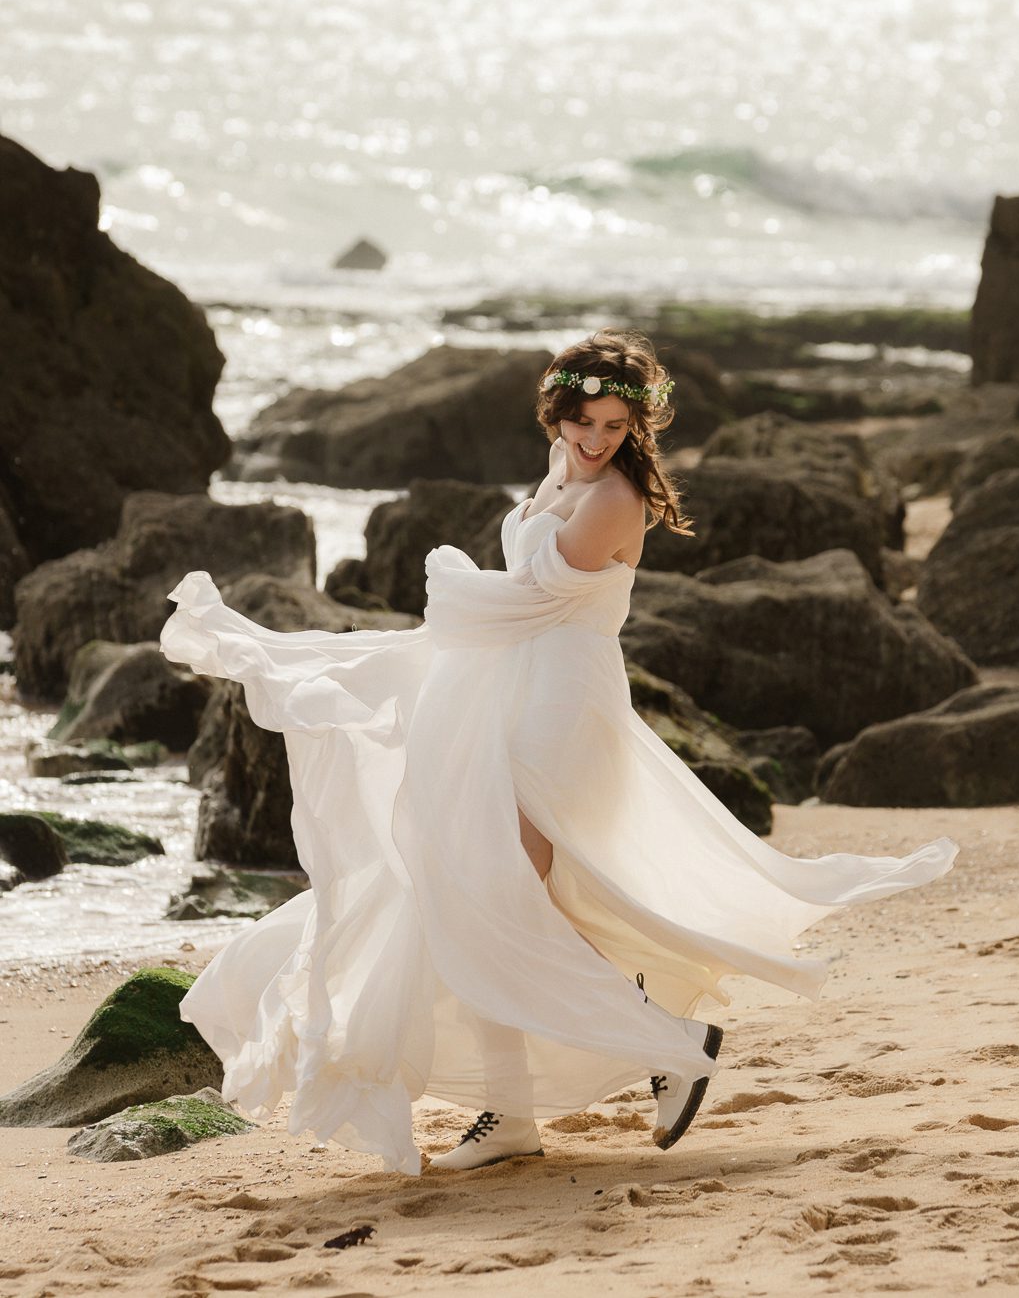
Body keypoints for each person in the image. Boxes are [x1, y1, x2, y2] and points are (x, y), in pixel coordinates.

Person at [160, 328, 957, 1176]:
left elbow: (524, 603)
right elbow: (507, 608)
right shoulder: (559, 476)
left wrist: (448, 587)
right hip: (508, 696)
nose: (598, 438)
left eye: (616, 426)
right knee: (484, 894)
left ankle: (658, 1041)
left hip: (560, 707)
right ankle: (520, 1110)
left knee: (498, 889)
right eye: (586, 420)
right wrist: (452, 606)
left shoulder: (615, 497)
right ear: (558, 411)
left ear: (635, 428)